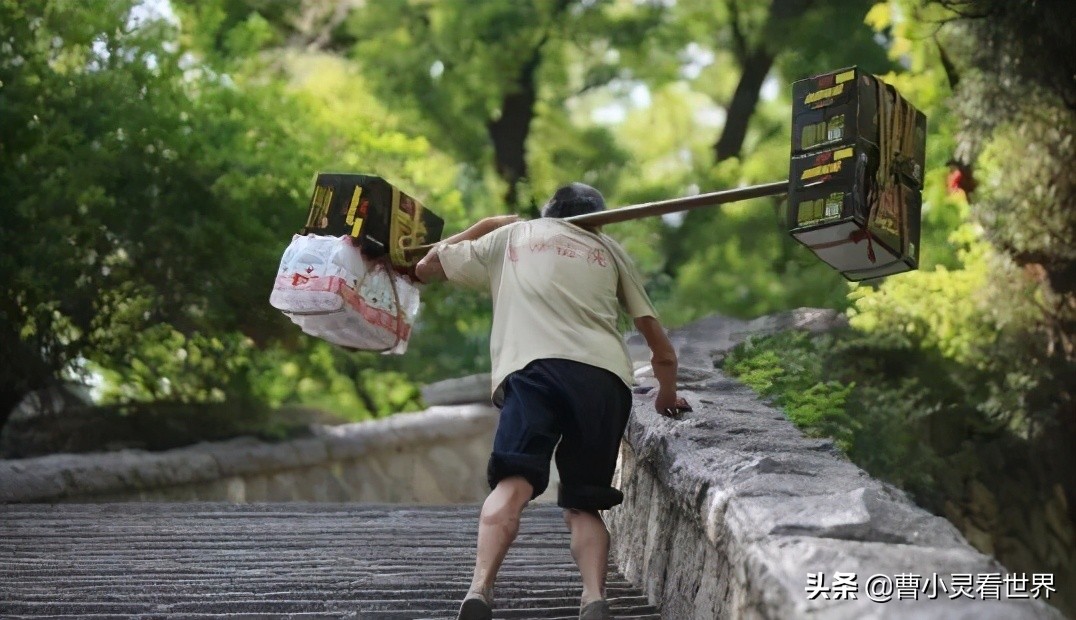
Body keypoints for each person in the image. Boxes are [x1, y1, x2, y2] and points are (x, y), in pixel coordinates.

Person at [415, 182, 686, 620]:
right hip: (602, 380)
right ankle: (594, 598)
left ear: (546, 213)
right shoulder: (608, 249)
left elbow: (427, 267)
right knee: (584, 502)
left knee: (513, 483)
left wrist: (486, 225)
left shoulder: (510, 237)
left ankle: (479, 590)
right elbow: (659, 343)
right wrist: (667, 394)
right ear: (597, 219)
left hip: (534, 369)